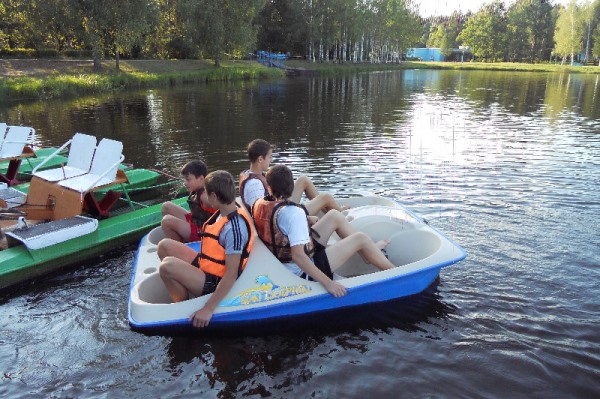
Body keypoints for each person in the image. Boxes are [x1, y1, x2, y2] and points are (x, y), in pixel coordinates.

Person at [252, 164, 395, 298]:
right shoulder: (293, 213)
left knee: (334, 215)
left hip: (290, 256)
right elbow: (298, 256)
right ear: (291, 186)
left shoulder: (261, 204)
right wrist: (329, 284)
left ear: (269, 188)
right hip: (301, 271)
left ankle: (367, 254)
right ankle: (396, 273)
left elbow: (279, 225)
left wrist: (307, 220)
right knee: (360, 238)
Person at [158, 170, 255, 328]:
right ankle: (182, 286)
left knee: (167, 267)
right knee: (165, 246)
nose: (205, 199)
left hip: (216, 282)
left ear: (215, 197)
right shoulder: (225, 209)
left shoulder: (234, 229)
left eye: (207, 195)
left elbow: (231, 274)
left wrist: (209, 308)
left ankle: (183, 310)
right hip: (207, 267)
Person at [239, 138, 347, 215]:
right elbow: (260, 213)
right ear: (260, 159)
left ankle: (331, 210)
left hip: (279, 205)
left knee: (303, 180)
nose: (271, 160)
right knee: (326, 197)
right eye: (269, 157)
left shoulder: (251, 174)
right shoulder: (254, 185)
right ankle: (340, 214)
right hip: (282, 213)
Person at [161, 160, 217, 242]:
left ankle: (178, 249)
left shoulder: (204, 196)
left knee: (166, 221)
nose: (184, 183)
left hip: (204, 234)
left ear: (201, 179)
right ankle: (178, 240)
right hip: (196, 224)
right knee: (166, 206)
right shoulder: (197, 191)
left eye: (188, 180)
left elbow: (223, 206)